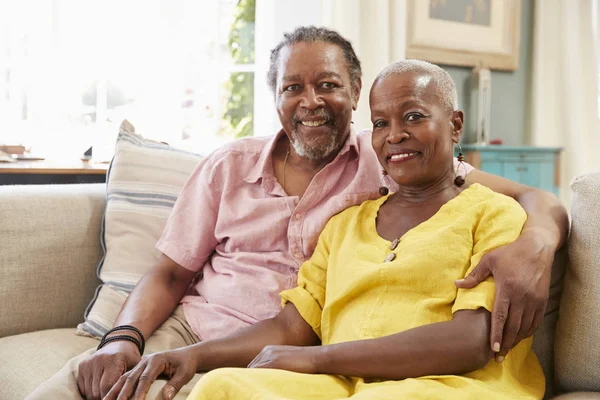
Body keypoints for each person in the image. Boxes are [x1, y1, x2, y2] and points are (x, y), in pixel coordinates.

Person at [28, 27, 567, 400]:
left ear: (354, 94)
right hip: (202, 332)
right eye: (293, 87)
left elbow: (529, 198)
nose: (310, 100)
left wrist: (538, 240)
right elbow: (173, 274)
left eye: (328, 84)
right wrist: (124, 338)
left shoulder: (396, 168)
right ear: (277, 99)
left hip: (303, 354)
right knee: (89, 382)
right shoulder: (237, 171)